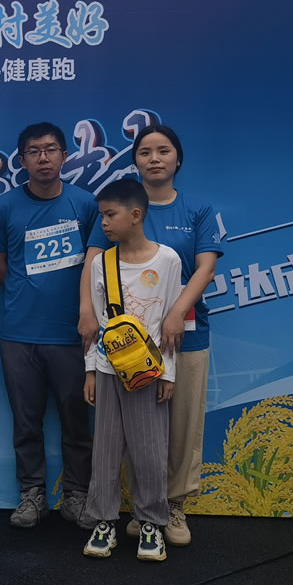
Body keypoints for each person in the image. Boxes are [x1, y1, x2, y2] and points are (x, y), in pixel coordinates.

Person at [85, 124, 220, 546]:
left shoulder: (197, 209)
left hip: (184, 335)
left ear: (178, 158)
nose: (155, 158)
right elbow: (94, 267)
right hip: (122, 349)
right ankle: (137, 509)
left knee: (180, 426)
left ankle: (172, 507)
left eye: (164, 150)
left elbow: (205, 267)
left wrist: (177, 313)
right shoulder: (117, 207)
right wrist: (86, 313)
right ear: (135, 161)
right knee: (130, 432)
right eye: (145, 151)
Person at [0, 122, 98, 529]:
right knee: (25, 422)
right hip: (19, 335)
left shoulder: (86, 205)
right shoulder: (3, 208)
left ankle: (77, 496)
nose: (43, 158)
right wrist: (27, 292)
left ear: (65, 156)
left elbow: (96, 264)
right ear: (22, 160)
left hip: (72, 334)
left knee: (76, 422)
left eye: (51, 150)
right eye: (34, 151)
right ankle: (31, 495)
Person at [77, 179, 181, 563]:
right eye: (101, 215)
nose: (103, 223)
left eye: (110, 215)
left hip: (148, 372)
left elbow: (171, 326)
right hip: (108, 370)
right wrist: (90, 371)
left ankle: (151, 523)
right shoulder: (100, 263)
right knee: (104, 451)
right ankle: (104, 521)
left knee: (150, 450)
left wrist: (168, 373)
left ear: (136, 215)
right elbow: (96, 326)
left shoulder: (168, 260)